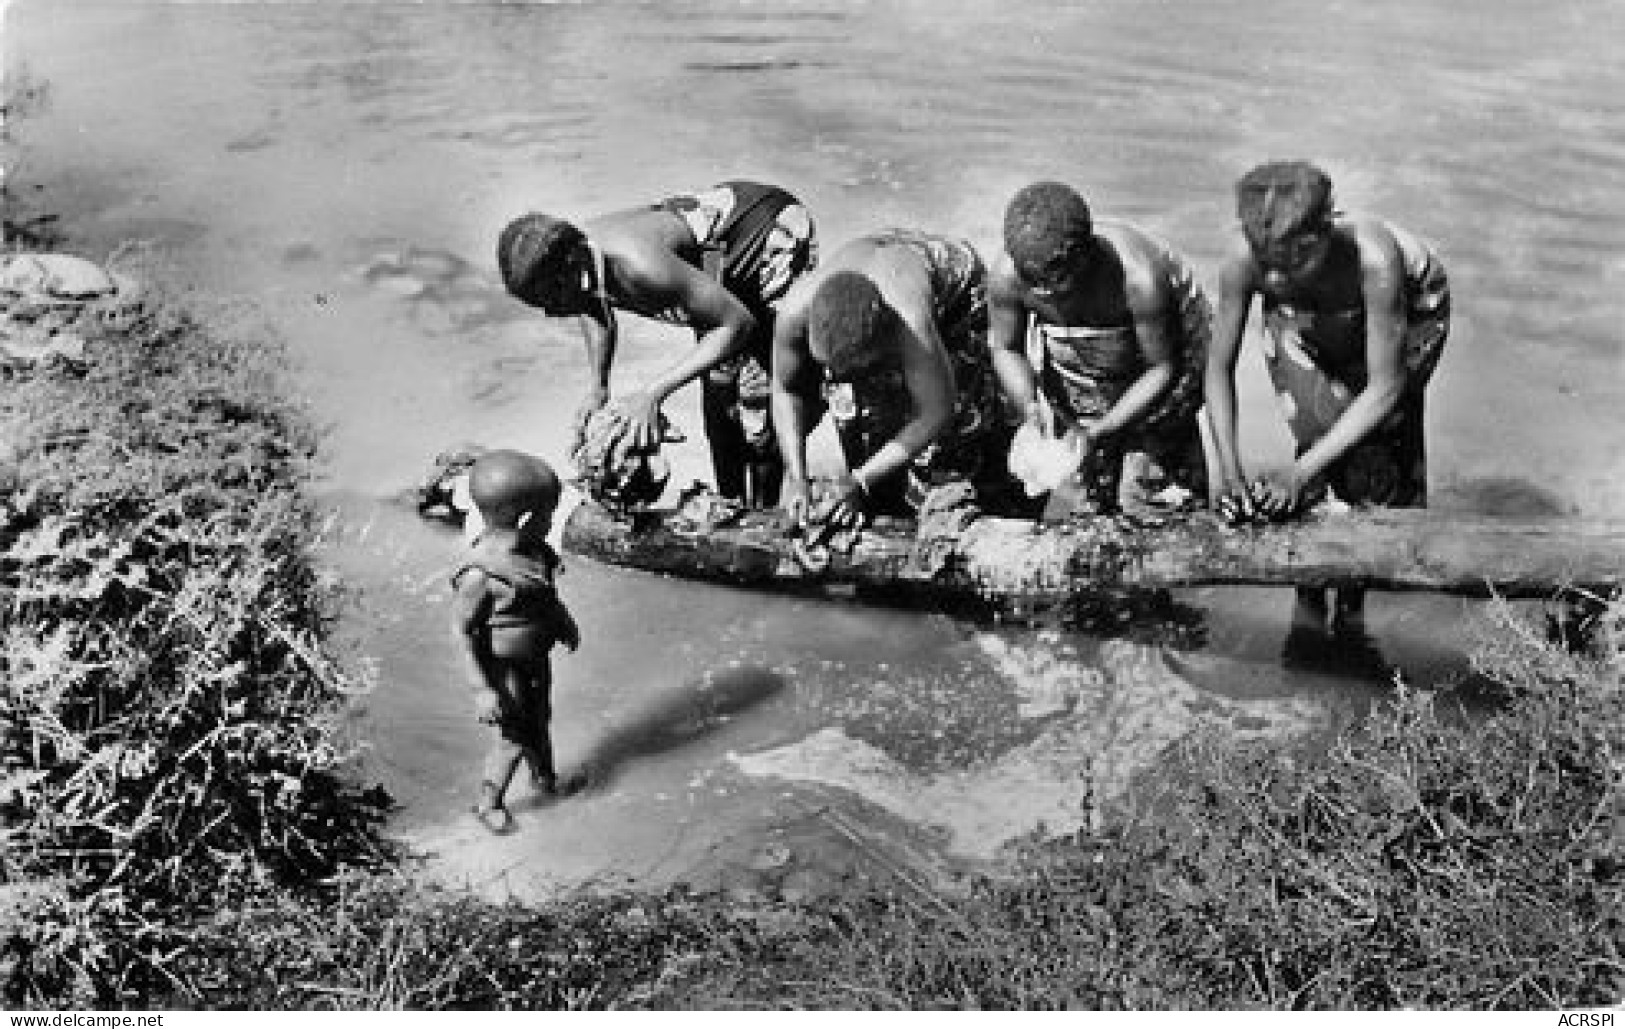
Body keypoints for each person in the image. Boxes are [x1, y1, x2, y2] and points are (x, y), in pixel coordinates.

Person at [1204, 159, 1450, 651]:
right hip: (1308, 312)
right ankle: (1309, 598)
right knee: (1316, 426)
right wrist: (1228, 472)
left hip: (1412, 307)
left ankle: (1354, 603)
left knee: (1379, 451)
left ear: (1325, 229)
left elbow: (1386, 387)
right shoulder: (1248, 259)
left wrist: (1297, 474)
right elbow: (1217, 369)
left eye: (1291, 261)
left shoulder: (1374, 258)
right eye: (1266, 261)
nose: (1273, 274)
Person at [497, 182, 818, 508]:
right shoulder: (581, 262)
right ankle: (730, 503)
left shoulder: (640, 266)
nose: (551, 312)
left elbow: (738, 324)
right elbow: (591, 306)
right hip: (714, 262)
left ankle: (764, 513)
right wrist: (598, 386)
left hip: (768, 235)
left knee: (758, 397)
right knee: (720, 400)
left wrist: (652, 394)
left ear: (573, 268)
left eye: (551, 299)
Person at [770, 228, 1030, 530]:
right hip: (880, 269)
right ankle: (877, 499)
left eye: (857, 370)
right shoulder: (793, 313)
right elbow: (786, 389)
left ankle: (998, 500)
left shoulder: (909, 321)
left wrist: (860, 480)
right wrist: (797, 476)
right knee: (857, 418)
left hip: (957, 300)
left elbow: (936, 412)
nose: (835, 378)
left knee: (960, 435)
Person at [987, 181, 1210, 517]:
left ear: (1084, 256)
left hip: (1168, 366)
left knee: (1157, 500)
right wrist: (1030, 407)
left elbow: (1162, 368)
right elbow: (1006, 348)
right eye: (1033, 283)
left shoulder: (1138, 279)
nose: (1043, 293)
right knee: (1087, 498)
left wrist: (1106, 427)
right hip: (1082, 358)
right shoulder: (1009, 275)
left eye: (1056, 281)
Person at [450, 450, 581, 833]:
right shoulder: (480, 574)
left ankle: (545, 780)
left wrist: (563, 622)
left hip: (534, 661)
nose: (552, 522)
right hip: (502, 669)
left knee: (539, 721)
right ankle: (487, 803)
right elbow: (460, 631)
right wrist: (481, 690)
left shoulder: (534, 552)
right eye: (549, 515)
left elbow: (545, 596)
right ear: (527, 519)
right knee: (512, 737)